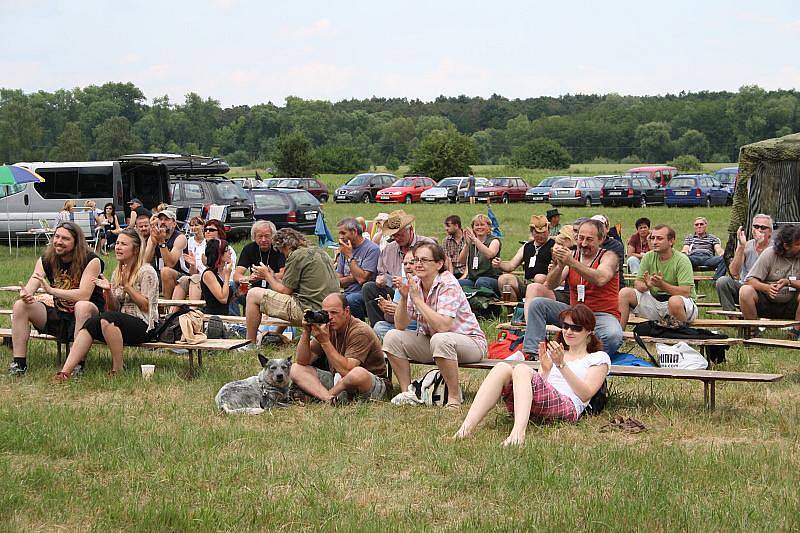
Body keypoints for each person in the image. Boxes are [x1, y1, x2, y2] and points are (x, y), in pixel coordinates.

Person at [454, 304, 610, 446]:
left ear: (589, 331)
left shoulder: (598, 358)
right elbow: (534, 387)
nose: (569, 331)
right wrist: (546, 369)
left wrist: (561, 365)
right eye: (566, 326)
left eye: (576, 328)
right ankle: (464, 429)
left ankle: (517, 434)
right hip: (539, 406)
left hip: (568, 406)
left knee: (522, 369)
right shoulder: (556, 353)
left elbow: (585, 394)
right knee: (502, 367)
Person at [383, 243, 487, 408]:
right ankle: (408, 393)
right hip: (435, 341)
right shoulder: (415, 282)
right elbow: (400, 325)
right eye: (416, 260)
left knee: (441, 339)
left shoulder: (448, 283)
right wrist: (404, 298)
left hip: (470, 343)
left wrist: (417, 300)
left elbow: (443, 326)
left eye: (424, 260)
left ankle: (453, 398)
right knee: (392, 337)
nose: (418, 264)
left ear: (439, 264)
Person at [53, 228, 159, 381]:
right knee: (90, 324)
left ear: (135, 249)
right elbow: (113, 308)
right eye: (117, 243)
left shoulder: (146, 271)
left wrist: (127, 286)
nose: (118, 247)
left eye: (123, 244)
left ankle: (118, 368)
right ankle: (65, 372)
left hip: (145, 324)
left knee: (107, 319)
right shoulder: (117, 272)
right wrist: (108, 291)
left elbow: (147, 307)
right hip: (121, 320)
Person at [9, 222, 105, 376]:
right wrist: (26, 294)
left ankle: (77, 366)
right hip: (60, 314)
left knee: (82, 306)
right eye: (57, 236)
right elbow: (32, 285)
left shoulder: (91, 260)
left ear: (76, 242)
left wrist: (52, 290)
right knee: (20, 305)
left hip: (89, 318)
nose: (59, 241)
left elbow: (84, 295)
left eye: (65, 239)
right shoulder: (46, 259)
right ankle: (19, 364)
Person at [523, 219, 622, 357]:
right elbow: (550, 285)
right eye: (581, 238)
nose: (584, 243)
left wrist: (571, 263)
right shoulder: (572, 255)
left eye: (589, 239)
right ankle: (533, 354)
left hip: (602, 315)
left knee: (613, 335)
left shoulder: (609, 257)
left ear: (601, 239)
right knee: (537, 304)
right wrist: (561, 265)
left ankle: (588, 358)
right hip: (575, 313)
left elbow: (600, 278)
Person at [244, 228, 339, 344]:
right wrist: (272, 275)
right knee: (287, 298)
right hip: (327, 310)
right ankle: (277, 334)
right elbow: (293, 289)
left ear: (284, 247)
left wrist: (267, 276)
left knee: (253, 294)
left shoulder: (296, 256)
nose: (282, 255)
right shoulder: (319, 252)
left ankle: (250, 343)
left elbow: (285, 291)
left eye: (280, 251)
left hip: (309, 312)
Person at [290, 294, 390, 403]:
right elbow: (302, 361)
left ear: (346, 311)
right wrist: (306, 332)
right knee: (295, 368)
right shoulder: (328, 327)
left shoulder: (360, 331)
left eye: (334, 312)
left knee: (358, 373)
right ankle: (329, 399)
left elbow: (347, 371)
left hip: (369, 384)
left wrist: (325, 342)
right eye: (326, 313)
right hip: (338, 381)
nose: (330, 317)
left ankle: (326, 395)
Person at [361, 210, 435, 326]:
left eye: (399, 234)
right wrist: (381, 279)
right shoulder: (389, 249)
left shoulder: (427, 245)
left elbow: (436, 274)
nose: (396, 238)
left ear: (410, 230)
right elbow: (382, 273)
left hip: (420, 292)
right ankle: (380, 325)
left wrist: (407, 282)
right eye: (393, 235)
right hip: (394, 291)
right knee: (369, 288)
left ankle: (403, 324)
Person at [618, 224, 698, 327]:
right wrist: (648, 285)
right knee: (625, 293)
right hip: (656, 302)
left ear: (671, 241)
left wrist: (662, 285)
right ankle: (619, 336)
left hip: (682, 305)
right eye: (652, 238)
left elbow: (685, 292)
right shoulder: (648, 257)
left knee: (674, 301)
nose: (654, 242)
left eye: (659, 238)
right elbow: (638, 284)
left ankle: (682, 337)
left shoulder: (682, 260)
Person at [740, 224, 800, 338]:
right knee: (745, 291)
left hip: (792, 305)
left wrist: (789, 282)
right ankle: (753, 331)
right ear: (786, 246)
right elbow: (749, 280)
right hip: (766, 303)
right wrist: (767, 288)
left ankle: (795, 332)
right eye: (797, 244)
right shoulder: (770, 254)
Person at [715, 214, 773, 311]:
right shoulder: (746, 245)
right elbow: (734, 272)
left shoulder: (775, 248)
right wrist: (741, 246)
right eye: (756, 226)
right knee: (722, 282)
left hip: (766, 289)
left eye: (763, 227)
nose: (759, 230)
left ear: (770, 232)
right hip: (745, 287)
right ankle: (732, 319)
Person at [493, 215, 554, 302]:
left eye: (544, 233)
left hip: (545, 285)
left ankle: (534, 307)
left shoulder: (554, 245)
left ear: (548, 231)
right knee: (504, 279)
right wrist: (499, 264)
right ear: (532, 232)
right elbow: (511, 266)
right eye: (537, 233)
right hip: (527, 283)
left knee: (539, 278)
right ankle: (514, 310)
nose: (541, 236)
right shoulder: (527, 246)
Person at [233, 220, 285, 315]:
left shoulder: (279, 248)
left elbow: (284, 273)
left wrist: (268, 276)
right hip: (253, 286)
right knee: (233, 287)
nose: (264, 240)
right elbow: (237, 275)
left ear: (273, 236)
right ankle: (236, 319)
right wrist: (248, 278)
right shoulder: (249, 249)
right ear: (254, 237)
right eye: (260, 236)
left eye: (267, 236)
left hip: (274, 286)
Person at [334, 217, 380, 320]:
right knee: (329, 300)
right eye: (339, 234)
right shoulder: (344, 249)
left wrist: (350, 256)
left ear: (354, 232)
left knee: (351, 300)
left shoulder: (372, 249)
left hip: (365, 296)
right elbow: (338, 281)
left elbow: (362, 279)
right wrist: (354, 276)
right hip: (347, 293)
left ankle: (360, 330)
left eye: (343, 233)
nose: (340, 237)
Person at [143, 209, 189, 298]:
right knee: (144, 270)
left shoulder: (180, 238)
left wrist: (161, 242)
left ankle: (167, 306)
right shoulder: (155, 236)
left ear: (174, 223)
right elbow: (146, 260)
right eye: (160, 219)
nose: (163, 222)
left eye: (167, 219)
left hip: (180, 275)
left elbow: (170, 264)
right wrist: (152, 243)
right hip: (159, 274)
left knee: (166, 271)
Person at [373, 250, 418, 339]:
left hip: (419, 327)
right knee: (379, 326)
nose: (407, 267)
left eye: (411, 263)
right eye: (405, 264)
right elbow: (391, 320)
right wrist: (388, 311)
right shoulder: (402, 283)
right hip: (402, 326)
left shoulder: (424, 283)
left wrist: (399, 310)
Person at [458, 214, 502, 296]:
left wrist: (475, 239)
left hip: (491, 278)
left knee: (481, 282)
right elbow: (461, 261)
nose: (479, 227)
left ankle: (488, 307)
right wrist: (467, 245)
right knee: (457, 284)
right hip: (473, 279)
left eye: (482, 225)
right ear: (473, 228)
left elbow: (490, 254)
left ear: (489, 227)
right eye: (476, 225)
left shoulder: (494, 241)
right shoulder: (471, 242)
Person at [172, 217, 207, 304]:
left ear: (203, 226)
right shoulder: (188, 241)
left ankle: (192, 311)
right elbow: (186, 266)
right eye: (191, 225)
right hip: (192, 273)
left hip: (205, 275)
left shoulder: (208, 242)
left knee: (195, 279)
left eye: (196, 225)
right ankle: (171, 313)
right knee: (183, 280)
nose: (193, 227)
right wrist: (193, 265)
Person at [200, 238, 233, 316]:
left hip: (224, 317)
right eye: (227, 250)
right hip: (212, 319)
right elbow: (223, 299)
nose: (230, 252)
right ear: (219, 254)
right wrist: (227, 276)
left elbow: (226, 299)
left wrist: (238, 293)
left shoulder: (222, 271)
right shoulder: (209, 274)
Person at [591, 214, 625, 288]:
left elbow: (606, 273)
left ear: (607, 229)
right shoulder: (585, 244)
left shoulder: (616, 246)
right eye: (594, 226)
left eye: (600, 226)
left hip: (612, 287)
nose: (597, 229)